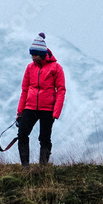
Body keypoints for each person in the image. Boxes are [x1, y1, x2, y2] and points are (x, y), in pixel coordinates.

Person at [16, 32, 65, 166]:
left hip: (48, 109)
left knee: (44, 138)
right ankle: (25, 167)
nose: (32, 57)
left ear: (41, 54)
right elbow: (24, 90)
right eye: (31, 54)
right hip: (30, 107)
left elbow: (61, 91)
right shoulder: (29, 67)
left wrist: (56, 113)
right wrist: (20, 112)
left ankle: (42, 168)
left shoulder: (56, 68)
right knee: (22, 134)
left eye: (34, 55)